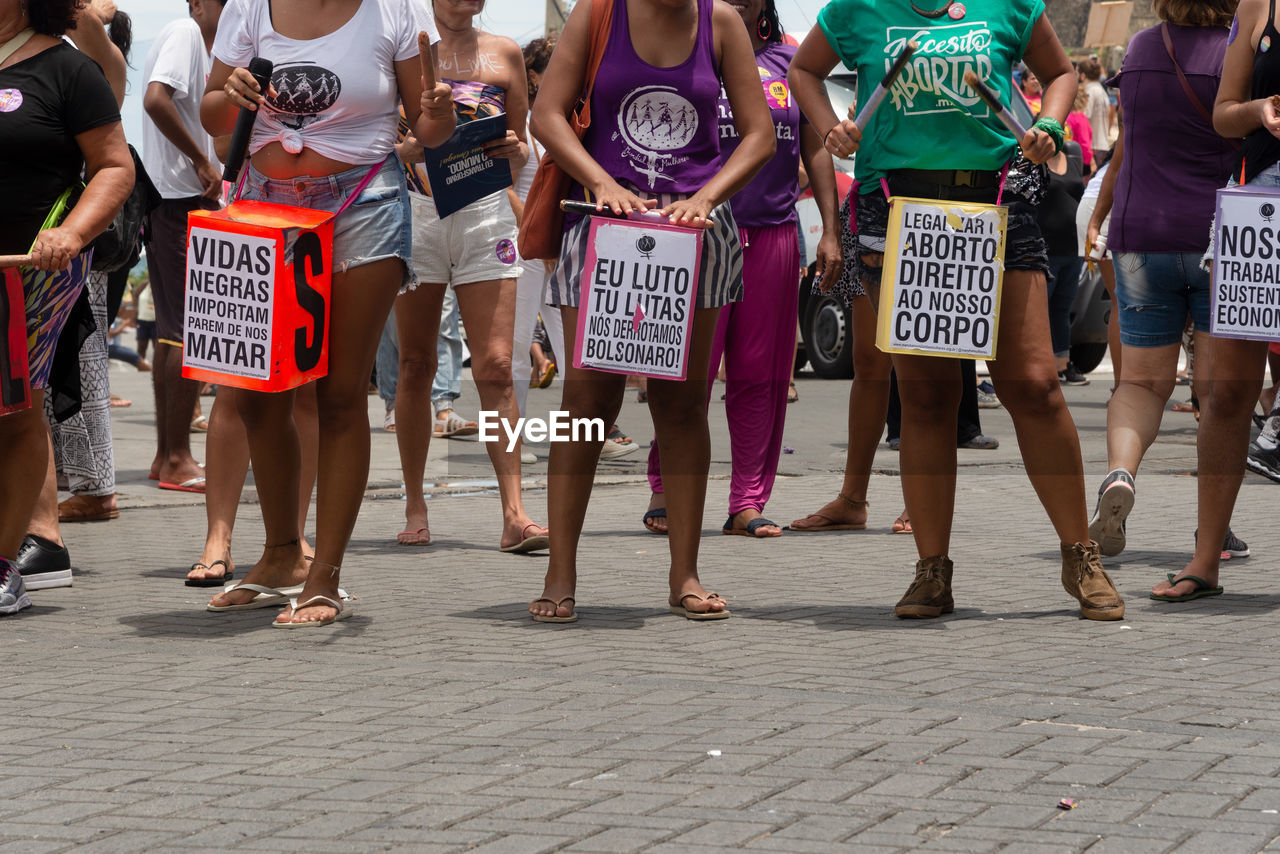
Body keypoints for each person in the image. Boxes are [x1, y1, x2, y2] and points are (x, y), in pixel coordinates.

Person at [791, 0, 1125, 621]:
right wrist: (831, 125)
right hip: (898, 209)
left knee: (1034, 386)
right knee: (924, 397)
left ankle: (1081, 555)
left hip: (999, 203)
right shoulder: (856, 8)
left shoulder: (1009, 4)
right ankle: (931, 570)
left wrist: (1049, 127)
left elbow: (1060, 74)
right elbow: (804, 72)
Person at [200, 0, 456, 625]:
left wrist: (440, 116)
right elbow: (212, 117)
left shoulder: (397, 10)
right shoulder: (248, 7)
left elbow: (431, 133)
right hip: (262, 206)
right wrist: (229, 94)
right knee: (259, 395)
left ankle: (326, 574)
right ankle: (281, 554)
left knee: (341, 393)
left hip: (364, 199)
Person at [527, 0, 775, 621]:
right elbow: (546, 115)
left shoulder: (720, 24)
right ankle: (560, 571)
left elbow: (759, 136)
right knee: (585, 405)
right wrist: (601, 182)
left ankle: (685, 574)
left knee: (683, 404)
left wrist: (707, 197)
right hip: (604, 223)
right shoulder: (596, 14)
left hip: (694, 232)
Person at [643, 0, 840, 540]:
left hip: (773, 233)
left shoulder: (791, 62)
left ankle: (747, 501)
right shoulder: (687, 51)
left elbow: (816, 147)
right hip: (696, 232)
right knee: (686, 370)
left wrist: (830, 229)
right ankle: (665, 486)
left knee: (761, 374)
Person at [1086, 0, 1239, 560]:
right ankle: (1212, 532)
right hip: (1220, 238)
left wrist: (1100, 218)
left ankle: (1120, 474)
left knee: (1141, 383)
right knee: (1219, 395)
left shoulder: (1143, 49)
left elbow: (1128, 146)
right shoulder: (1236, 50)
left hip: (1142, 233)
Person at [391, 0, 546, 550]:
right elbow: (382, 135)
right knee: (415, 363)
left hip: (485, 213)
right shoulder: (404, 48)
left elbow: (522, 147)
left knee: (498, 365)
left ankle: (515, 512)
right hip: (417, 212)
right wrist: (406, 149)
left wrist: (515, 148)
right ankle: (414, 501)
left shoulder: (503, 53)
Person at [0, 0, 133, 613]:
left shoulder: (66, 68)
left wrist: (73, 234)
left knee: (12, 407)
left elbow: (113, 166)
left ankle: (4, 566)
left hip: (31, 269)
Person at [1147, 0, 1278, 602]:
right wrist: (1260, 109)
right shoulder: (1259, 7)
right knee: (1228, 391)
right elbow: (1225, 117)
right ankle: (1206, 560)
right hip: (1260, 208)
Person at [142, 0, 226, 494]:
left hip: (184, 201)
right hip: (178, 200)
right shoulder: (184, 32)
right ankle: (176, 457)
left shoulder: (215, 52)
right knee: (185, 329)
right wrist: (200, 160)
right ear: (198, 3)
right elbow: (155, 100)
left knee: (180, 325)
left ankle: (164, 454)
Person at [1038, 138, 1087, 385]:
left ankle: (1062, 363)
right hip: (1045, 248)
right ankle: (1042, 364)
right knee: (1040, 309)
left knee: (1061, 309)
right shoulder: (1034, 162)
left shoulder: (1072, 160)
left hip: (1072, 249)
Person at [1080, 57, 1111, 167]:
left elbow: (1084, 117)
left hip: (1093, 145)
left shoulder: (1089, 91)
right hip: (1103, 143)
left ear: (1082, 76)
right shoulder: (1101, 90)